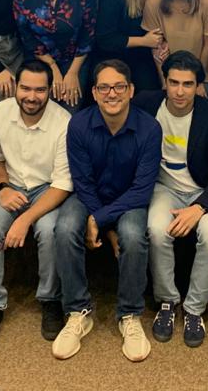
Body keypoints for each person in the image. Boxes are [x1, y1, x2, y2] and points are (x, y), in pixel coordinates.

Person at [51, 60, 161, 362]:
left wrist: (99, 220)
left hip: (130, 199)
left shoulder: (150, 128)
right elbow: (82, 182)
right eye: (104, 87)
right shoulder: (79, 124)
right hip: (89, 197)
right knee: (64, 228)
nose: (112, 93)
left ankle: (130, 314)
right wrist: (102, 222)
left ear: (131, 90)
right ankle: (78, 311)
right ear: (94, 92)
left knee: (134, 235)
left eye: (119, 86)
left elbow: (142, 190)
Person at [0, 60, 72, 349]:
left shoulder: (64, 122)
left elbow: (63, 184)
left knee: (49, 231)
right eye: (25, 88)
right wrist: (2, 188)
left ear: (50, 90)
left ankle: (50, 300)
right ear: (16, 86)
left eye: (40, 90)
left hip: (47, 189)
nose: (31, 96)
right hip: (10, 185)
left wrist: (24, 219)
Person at [133, 52, 208, 348]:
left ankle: (194, 308)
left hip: (203, 191)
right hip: (164, 187)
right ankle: (167, 301)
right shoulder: (146, 104)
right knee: (157, 230)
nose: (180, 91)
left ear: (198, 86)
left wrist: (200, 207)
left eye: (188, 84)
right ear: (165, 81)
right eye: (173, 82)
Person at [14, 0, 96, 110]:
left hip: (75, 61)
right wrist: (52, 67)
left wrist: (72, 73)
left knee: (69, 112)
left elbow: (88, 34)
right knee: (40, 109)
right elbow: (26, 35)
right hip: (39, 61)